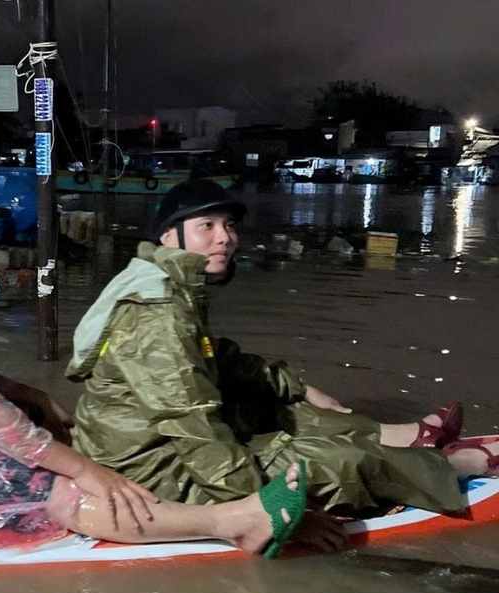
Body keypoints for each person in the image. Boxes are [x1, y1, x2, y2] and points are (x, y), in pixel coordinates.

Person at [0, 166, 332, 560]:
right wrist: (82, 467)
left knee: (48, 439)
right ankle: (234, 523)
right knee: (68, 488)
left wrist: (33, 395)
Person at [71, 179, 495, 523]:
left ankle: (405, 439)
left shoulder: (167, 285)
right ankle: (457, 467)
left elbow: (218, 359)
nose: (225, 239)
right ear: (169, 235)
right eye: (208, 227)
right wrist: (265, 514)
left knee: (279, 406)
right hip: (149, 470)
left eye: (229, 227)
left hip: (151, 439)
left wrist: (300, 388)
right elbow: (193, 429)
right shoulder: (156, 313)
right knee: (335, 464)